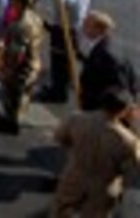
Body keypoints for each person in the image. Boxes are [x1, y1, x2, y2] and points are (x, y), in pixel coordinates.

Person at [52, 89, 140, 218]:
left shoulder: (77, 119)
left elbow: (60, 138)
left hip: (74, 177)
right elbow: (132, 172)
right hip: (103, 188)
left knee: (61, 211)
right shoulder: (128, 140)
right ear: (124, 111)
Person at [0, 0, 43, 134]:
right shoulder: (35, 18)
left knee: (12, 97)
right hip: (33, 64)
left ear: (19, 3)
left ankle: (11, 123)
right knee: (23, 96)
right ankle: (15, 118)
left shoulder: (19, 25)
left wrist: (7, 71)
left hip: (20, 69)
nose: (10, 2)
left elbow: (17, 53)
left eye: (12, 0)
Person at [38, 0, 91, 103]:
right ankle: (58, 88)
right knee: (64, 63)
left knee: (59, 63)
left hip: (64, 32)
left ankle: (58, 93)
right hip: (70, 29)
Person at [79, 10, 138, 111]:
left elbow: (118, 84)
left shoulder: (106, 53)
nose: (82, 27)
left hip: (102, 108)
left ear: (97, 29)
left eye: (86, 24)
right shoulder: (110, 45)